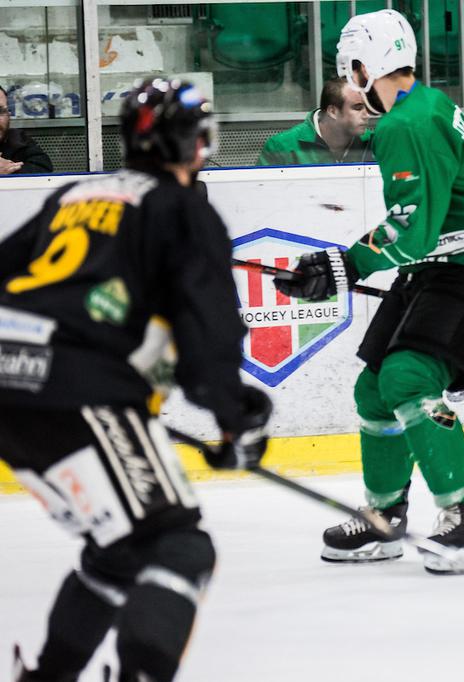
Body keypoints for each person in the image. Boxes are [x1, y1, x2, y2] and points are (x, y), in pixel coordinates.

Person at [0, 77, 271, 681]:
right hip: (80, 390)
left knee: (120, 550)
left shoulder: (74, 193)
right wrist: (238, 418)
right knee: (178, 547)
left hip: (9, 388)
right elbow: (209, 340)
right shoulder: (183, 208)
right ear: (188, 144)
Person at [272, 9, 464, 574]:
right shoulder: (424, 105)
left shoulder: (404, 125)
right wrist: (343, 265)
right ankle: (384, 518)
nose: (347, 80)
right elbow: (421, 228)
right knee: (374, 390)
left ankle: (462, 519)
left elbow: (412, 227)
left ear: (364, 66)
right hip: (445, 262)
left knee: (409, 377)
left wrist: (343, 264)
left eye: (348, 69)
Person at [257, 76, 372, 166]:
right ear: (332, 111)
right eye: (358, 108)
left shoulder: (375, 143)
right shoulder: (280, 147)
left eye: (368, 107)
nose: (367, 115)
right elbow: (262, 192)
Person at [0, 84, 54, 175]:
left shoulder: (17, 141)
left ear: (8, 115)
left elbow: (42, 169)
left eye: (0, 111)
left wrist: (9, 171)